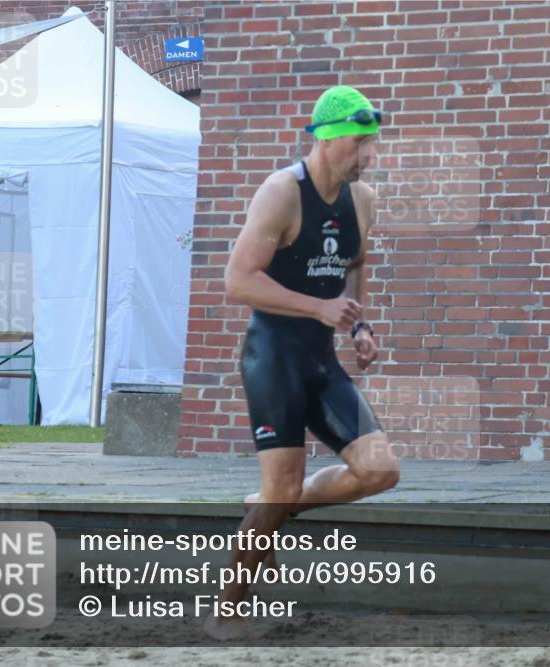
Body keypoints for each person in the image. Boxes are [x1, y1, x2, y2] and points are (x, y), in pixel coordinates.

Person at [203, 85, 400, 641]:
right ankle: (227, 610)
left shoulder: (362, 199)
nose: (370, 155)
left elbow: (354, 263)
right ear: (328, 139)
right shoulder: (281, 192)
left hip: (321, 358)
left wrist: (358, 324)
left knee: (380, 470)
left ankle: (273, 503)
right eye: (361, 143)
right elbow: (237, 281)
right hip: (274, 359)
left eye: (373, 143)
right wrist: (319, 307)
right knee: (282, 487)